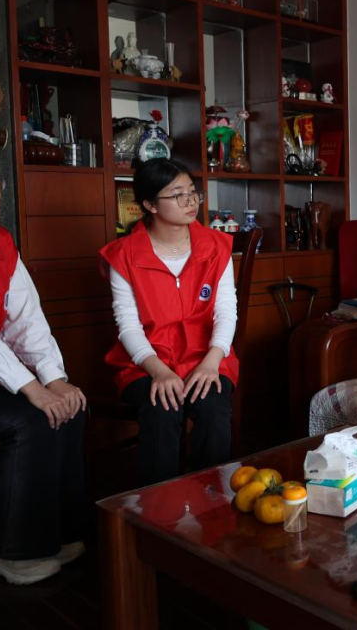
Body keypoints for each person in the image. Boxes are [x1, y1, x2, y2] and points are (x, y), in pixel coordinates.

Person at [0, 144, 86, 584]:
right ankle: (4, 553)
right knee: (29, 419)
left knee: (68, 408)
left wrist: (54, 379)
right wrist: (31, 388)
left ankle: (55, 534)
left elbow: (26, 318)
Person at [100, 158, 238, 485]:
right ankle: (159, 507)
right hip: (146, 361)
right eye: (178, 195)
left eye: (192, 192)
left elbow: (226, 311)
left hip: (206, 356)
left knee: (213, 406)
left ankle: (211, 501)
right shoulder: (124, 254)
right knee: (161, 407)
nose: (190, 202)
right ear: (149, 204)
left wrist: (212, 361)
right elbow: (128, 325)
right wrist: (159, 371)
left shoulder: (216, 246)